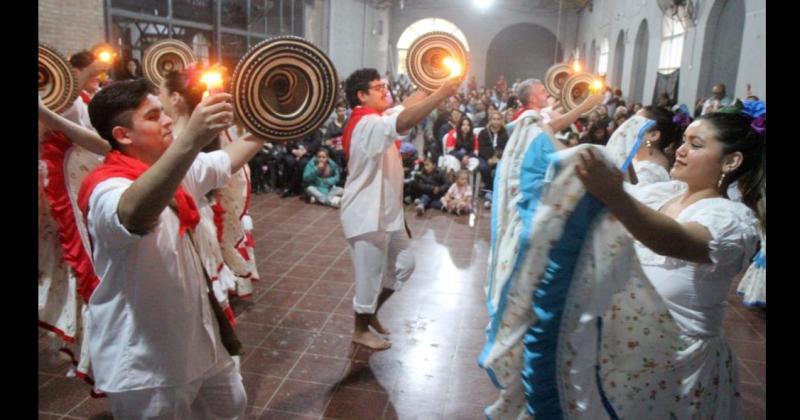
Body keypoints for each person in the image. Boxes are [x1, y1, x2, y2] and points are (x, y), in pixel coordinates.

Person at [76, 78, 269, 418]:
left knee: (231, 407)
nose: (167, 120)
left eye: (165, 112)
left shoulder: (175, 169)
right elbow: (134, 212)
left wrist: (275, 117)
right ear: (122, 135)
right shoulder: (105, 187)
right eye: (153, 116)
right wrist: (192, 139)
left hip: (200, 344)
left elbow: (227, 159)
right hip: (146, 363)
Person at [576, 111, 764, 418]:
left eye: (696, 144)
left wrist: (613, 194)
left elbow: (671, 239)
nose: (680, 149)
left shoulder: (731, 218)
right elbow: (619, 204)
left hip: (677, 364)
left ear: (731, 162)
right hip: (627, 349)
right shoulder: (664, 193)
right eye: (684, 140)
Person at [340, 68, 461, 350]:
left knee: (404, 265)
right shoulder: (365, 123)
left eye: (385, 85)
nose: (386, 90)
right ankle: (360, 329)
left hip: (387, 212)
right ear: (361, 96)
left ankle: (370, 314)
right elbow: (405, 117)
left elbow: (404, 106)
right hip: (365, 214)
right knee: (368, 277)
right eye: (378, 87)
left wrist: (431, 84)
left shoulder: (376, 117)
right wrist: (442, 94)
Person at [631, 106, 680, 185]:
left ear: (653, 135)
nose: (627, 127)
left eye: (635, 123)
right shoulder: (641, 156)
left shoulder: (650, 173)